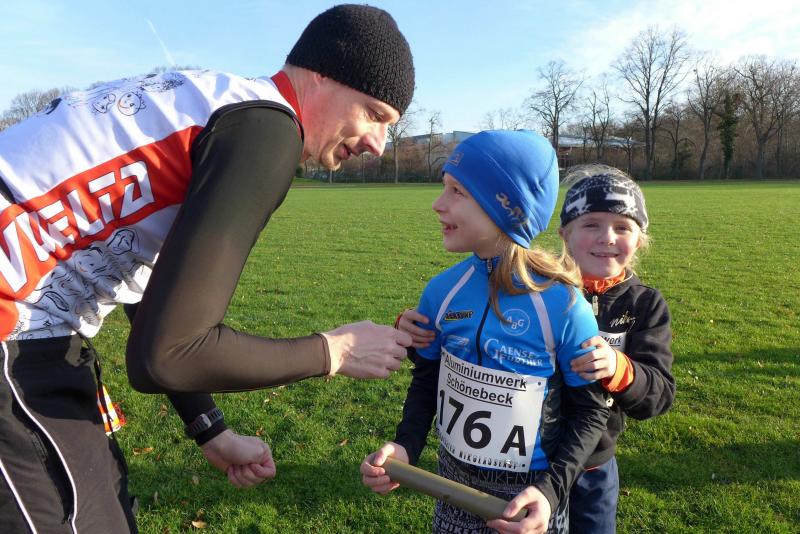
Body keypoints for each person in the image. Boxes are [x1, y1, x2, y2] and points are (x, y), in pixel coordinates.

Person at [0, 4, 414, 532]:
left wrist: (210, 429)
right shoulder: (268, 129)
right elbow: (169, 354)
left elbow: (151, 299)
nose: (378, 144)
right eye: (374, 114)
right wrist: (336, 351)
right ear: (322, 74)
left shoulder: (219, 103)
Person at [360, 130, 610, 534]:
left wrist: (549, 492)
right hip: (453, 488)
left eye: (457, 191)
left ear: (505, 208)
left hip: (528, 500)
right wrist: (405, 446)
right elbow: (427, 380)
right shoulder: (441, 291)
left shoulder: (562, 305)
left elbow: (591, 412)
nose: (438, 204)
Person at [558, 164, 675, 534]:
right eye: (591, 224)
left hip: (595, 468)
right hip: (532, 458)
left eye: (623, 227)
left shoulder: (646, 305)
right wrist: (421, 330)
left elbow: (659, 394)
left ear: (639, 240)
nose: (607, 237)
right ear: (565, 234)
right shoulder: (537, 288)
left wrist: (618, 368)